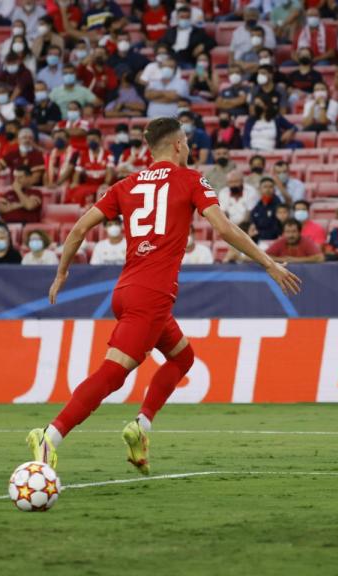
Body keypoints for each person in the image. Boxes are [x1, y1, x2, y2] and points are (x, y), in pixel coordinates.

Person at [27, 117, 300, 474]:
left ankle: (141, 426)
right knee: (113, 373)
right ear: (177, 145)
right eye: (186, 143)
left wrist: (62, 272)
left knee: (182, 358)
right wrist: (268, 263)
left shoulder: (126, 184)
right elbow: (223, 227)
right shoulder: (190, 180)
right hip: (151, 296)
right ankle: (51, 435)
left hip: (126, 291)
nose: (188, 148)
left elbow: (79, 228)